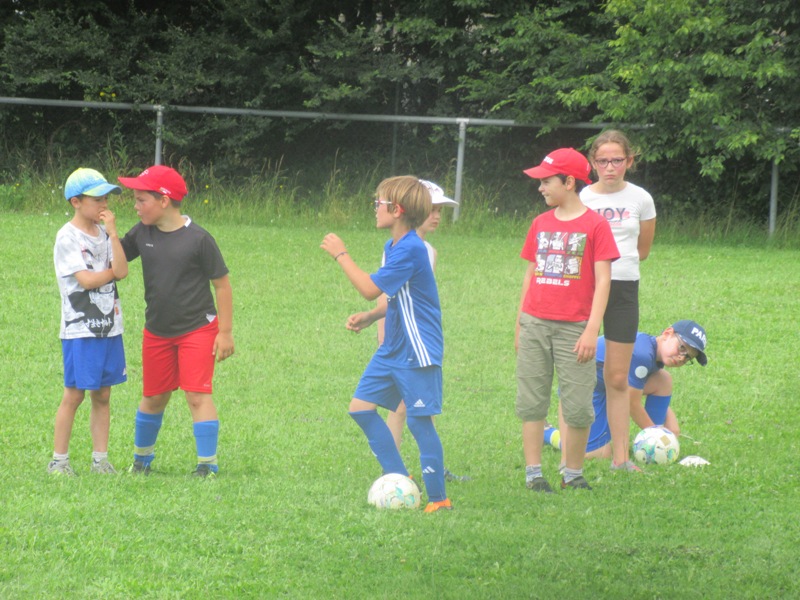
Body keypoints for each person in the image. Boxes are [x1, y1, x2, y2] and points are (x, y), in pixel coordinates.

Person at [320, 175, 452, 512]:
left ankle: (439, 499)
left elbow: (369, 288)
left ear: (397, 210)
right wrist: (372, 316)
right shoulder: (394, 245)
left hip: (417, 349)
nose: (375, 208)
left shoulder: (411, 248)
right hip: (393, 346)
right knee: (360, 408)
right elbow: (397, 296)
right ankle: (399, 478)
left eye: (378, 203)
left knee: (419, 422)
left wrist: (341, 254)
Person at [118, 165, 234, 478]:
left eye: (141, 200)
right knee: (154, 396)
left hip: (197, 328)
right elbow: (117, 257)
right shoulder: (142, 232)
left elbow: (222, 285)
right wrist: (105, 230)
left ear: (164, 200)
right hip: (157, 330)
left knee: (197, 395)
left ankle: (207, 465)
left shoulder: (199, 239)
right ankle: (141, 461)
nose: (136, 206)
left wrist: (225, 332)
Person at [516, 148, 619, 492]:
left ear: (569, 182)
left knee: (577, 405)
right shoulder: (540, 223)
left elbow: (603, 281)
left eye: (547, 181)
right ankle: (533, 473)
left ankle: (572, 473)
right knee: (532, 401)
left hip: (575, 328)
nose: (541, 187)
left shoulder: (596, 225)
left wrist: (591, 330)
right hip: (534, 323)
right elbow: (531, 273)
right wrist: (520, 324)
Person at [365, 180, 468, 481]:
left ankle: (427, 466)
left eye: (439, 211)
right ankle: (392, 471)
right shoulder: (400, 247)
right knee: (399, 407)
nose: (435, 216)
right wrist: (383, 334)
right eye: (431, 209)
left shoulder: (429, 250)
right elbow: (388, 294)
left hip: (418, 342)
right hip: (401, 344)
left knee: (417, 409)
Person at [580, 130, 657, 472]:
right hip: (586, 288)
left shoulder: (642, 199)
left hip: (624, 290)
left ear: (629, 161)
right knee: (577, 372)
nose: (610, 167)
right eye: (602, 161)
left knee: (616, 376)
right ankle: (572, 453)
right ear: (593, 163)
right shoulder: (583, 197)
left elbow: (642, 250)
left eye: (617, 160)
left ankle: (621, 459)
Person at [50, 168, 128, 476]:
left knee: (103, 394)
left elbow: (122, 269)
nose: (104, 204)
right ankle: (59, 461)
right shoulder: (67, 237)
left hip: (110, 327)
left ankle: (100, 460)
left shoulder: (105, 234)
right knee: (74, 394)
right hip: (80, 329)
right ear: (76, 202)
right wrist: (112, 273)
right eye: (97, 199)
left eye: (106, 198)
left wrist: (113, 234)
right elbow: (86, 280)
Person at [545, 320, 708, 458]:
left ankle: (654, 448)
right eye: (682, 348)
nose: (681, 357)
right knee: (598, 453)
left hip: (610, 387)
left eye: (688, 357)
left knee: (663, 380)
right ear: (667, 334)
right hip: (587, 387)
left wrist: (670, 426)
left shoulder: (654, 353)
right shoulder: (643, 354)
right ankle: (547, 433)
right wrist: (660, 437)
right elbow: (630, 403)